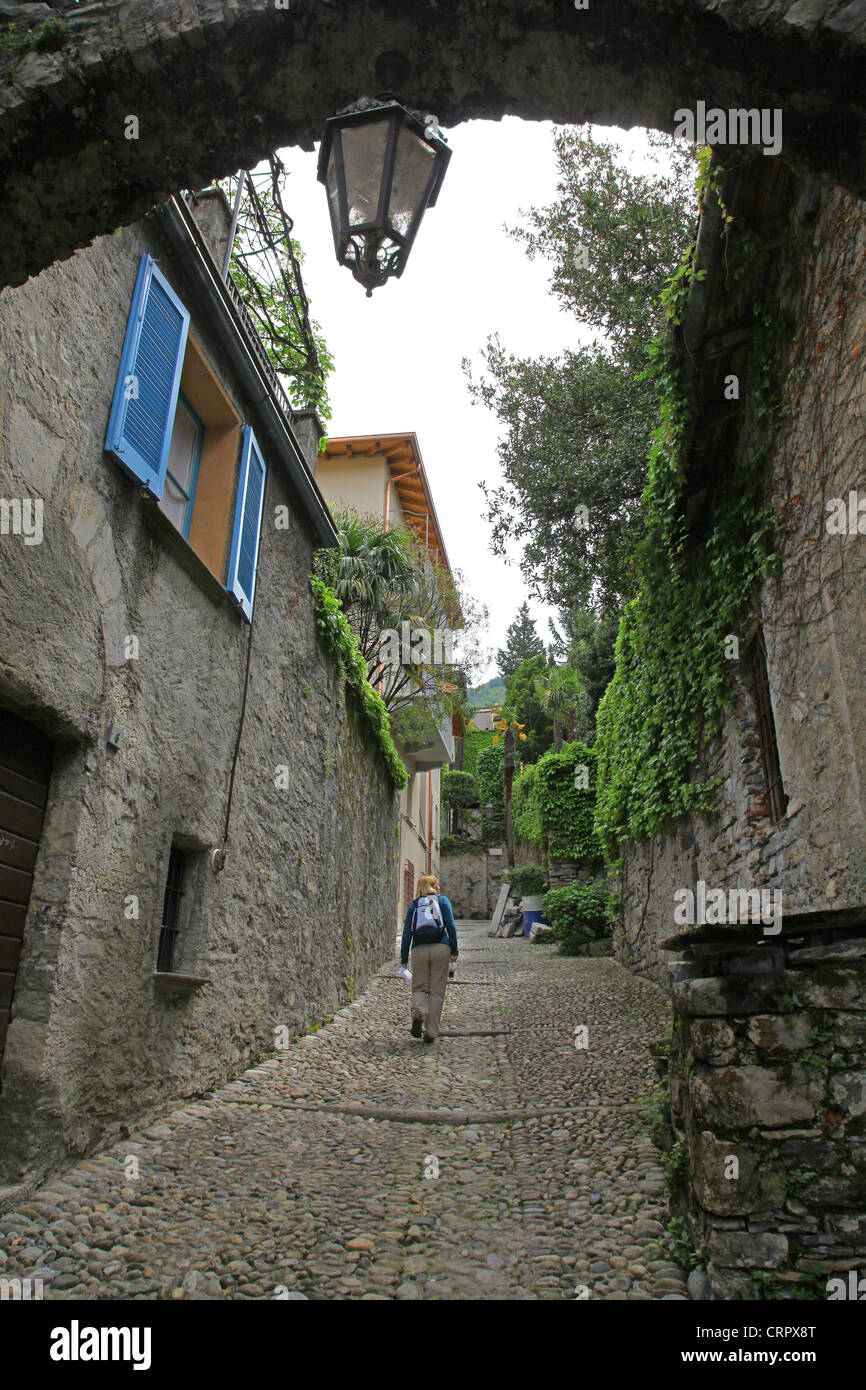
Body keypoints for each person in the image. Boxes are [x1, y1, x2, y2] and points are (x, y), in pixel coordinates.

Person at [400, 874, 458, 1044]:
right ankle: (431, 1032)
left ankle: (419, 1012)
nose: (439, 887)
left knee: (419, 987)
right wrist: (454, 949)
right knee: (436, 991)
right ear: (432, 886)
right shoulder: (442, 901)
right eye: (436, 884)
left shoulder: (414, 905)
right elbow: (450, 925)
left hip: (419, 949)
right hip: (441, 947)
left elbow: (406, 932)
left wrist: (404, 957)